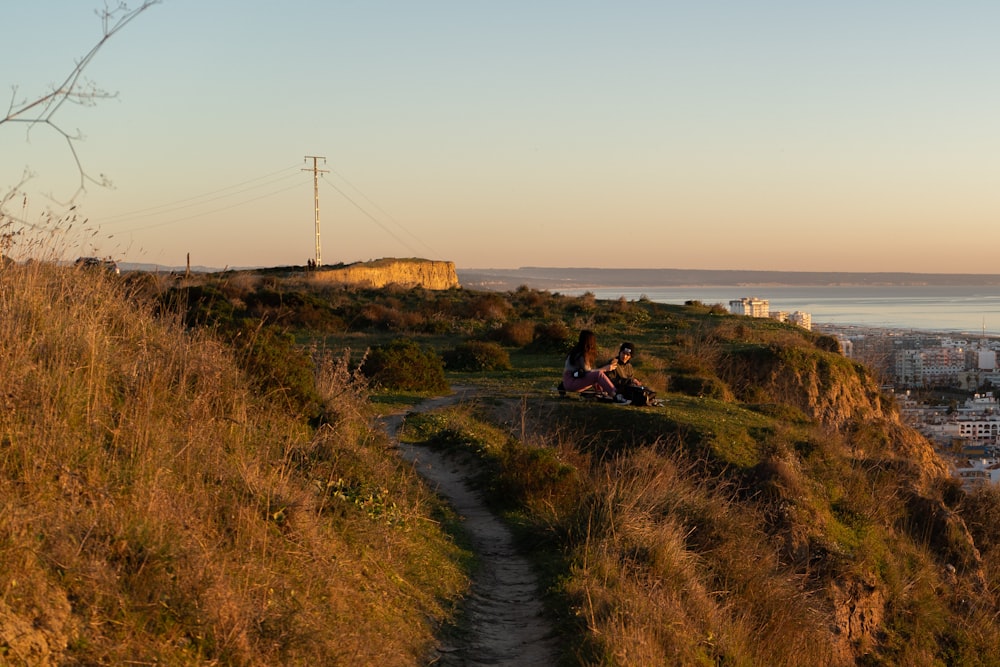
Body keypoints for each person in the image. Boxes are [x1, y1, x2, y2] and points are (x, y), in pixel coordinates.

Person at [562, 330, 631, 404]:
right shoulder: (581, 355)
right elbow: (588, 372)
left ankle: (602, 394)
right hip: (572, 382)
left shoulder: (576, 351)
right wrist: (606, 368)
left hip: (569, 381)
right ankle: (616, 396)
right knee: (598, 374)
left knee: (596, 374)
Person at [606, 342, 658, 406]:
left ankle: (647, 397)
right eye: (623, 353)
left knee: (648, 391)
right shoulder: (613, 363)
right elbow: (610, 381)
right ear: (620, 352)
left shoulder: (629, 366)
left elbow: (631, 378)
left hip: (629, 387)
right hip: (618, 390)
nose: (624, 356)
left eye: (627, 355)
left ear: (630, 356)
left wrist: (636, 381)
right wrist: (629, 381)